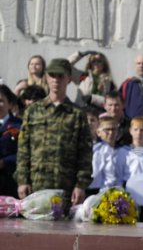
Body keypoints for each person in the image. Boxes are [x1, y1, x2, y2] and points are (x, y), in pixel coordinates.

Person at [15, 58, 93, 207]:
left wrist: (81, 185)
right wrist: (22, 180)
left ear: (69, 78)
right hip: (36, 183)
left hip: (65, 185)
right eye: (52, 75)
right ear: (46, 77)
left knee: (64, 228)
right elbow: (24, 149)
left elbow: (85, 152)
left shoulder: (77, 114)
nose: (56, 80)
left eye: (61, 76)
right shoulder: (33, 111)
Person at [87, 116, 118, 196]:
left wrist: (103, 194)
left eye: (113, 130)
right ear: (98, 132)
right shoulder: (93, 147)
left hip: (99, 191)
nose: (110, 133)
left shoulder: (107, 149)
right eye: (107, 130)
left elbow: (109, 175)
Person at [0, 85, 21, 197]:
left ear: (10, 104)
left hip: (10, 179)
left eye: (1, 101)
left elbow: (25, 152)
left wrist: (5, 162)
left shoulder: (19, 125)